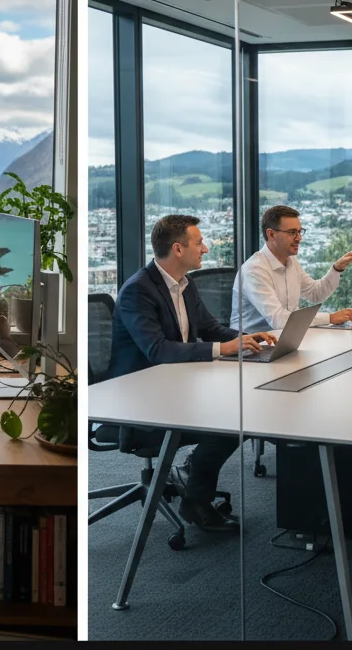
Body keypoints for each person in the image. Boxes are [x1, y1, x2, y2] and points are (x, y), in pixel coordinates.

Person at [108, 214, 276, 532]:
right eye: (199, 243)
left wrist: (241, 339)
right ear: (178, 249)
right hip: (140, 401)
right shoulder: (137, 292)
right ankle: (196, 501)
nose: (206, 249)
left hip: (178, 388)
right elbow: (157, 350)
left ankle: (190, 476)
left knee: (247, 414)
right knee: (232, 422)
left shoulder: (185, 284)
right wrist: (222, 350)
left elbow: (210, 328)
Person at [230, 204, 352, 331]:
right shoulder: (254, 270)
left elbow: (315, 294)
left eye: (300, 232)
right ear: (271, 234)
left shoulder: (291, 261)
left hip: (288, 339)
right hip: (255, 348)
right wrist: (330, 318)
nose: (299, 238)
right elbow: (279, 320)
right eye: (292, 232)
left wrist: (337, 269)